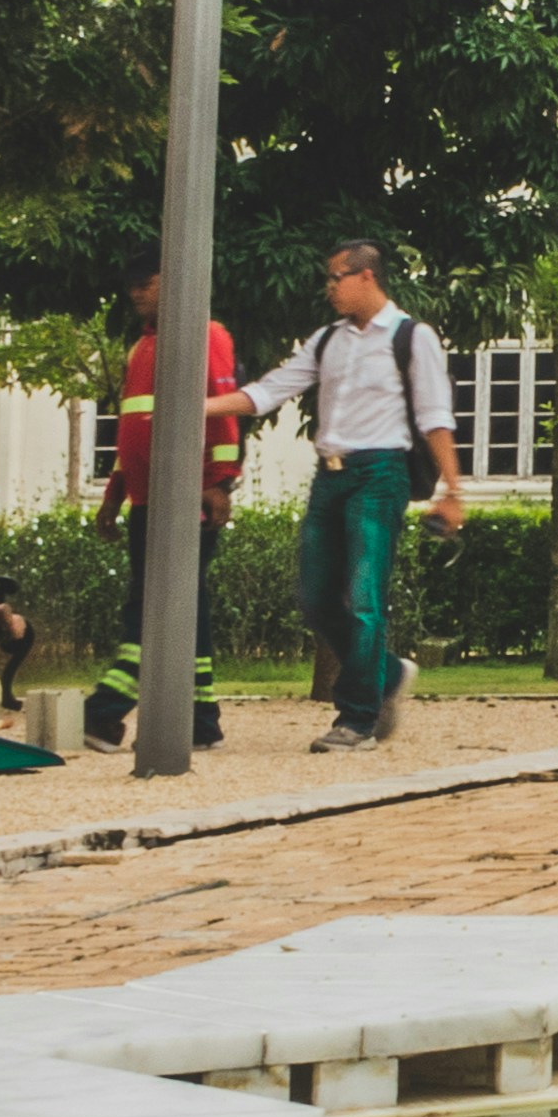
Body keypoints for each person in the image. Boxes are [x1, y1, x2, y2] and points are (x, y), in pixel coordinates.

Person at [239, 240, 463, 750]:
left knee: (365, 599)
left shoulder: (411, 337)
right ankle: (385, 675)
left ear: (366, 277)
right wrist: (198, 405)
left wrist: (452, 492)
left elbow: (435, 417)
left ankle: (358, 719)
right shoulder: (326, 341)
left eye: (336, 277)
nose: (329, 287)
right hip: (330, 477)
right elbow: (269, 391)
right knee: (316, 599)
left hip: (380, 475)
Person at [93, 263, 243, 538]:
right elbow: (130, 434)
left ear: (174, 284)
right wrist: (114, 493)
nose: (135, 294)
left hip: (189, 499)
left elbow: (223, 413)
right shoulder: (141, 347)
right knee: (144, 582)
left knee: (182, 582)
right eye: (132, 287)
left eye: (145, 285)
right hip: (145, 502)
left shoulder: (206, 335)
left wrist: (219, 484)